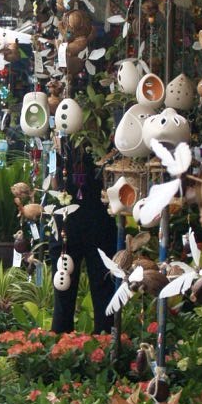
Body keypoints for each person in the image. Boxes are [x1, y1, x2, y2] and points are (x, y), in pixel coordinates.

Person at [50, 138, 115, 335]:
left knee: (104, 286)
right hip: (68, 218)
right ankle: (61, 345)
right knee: (63, 284)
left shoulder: (106, 135)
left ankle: (104, 346)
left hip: (97, 217)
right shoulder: (60, 137)